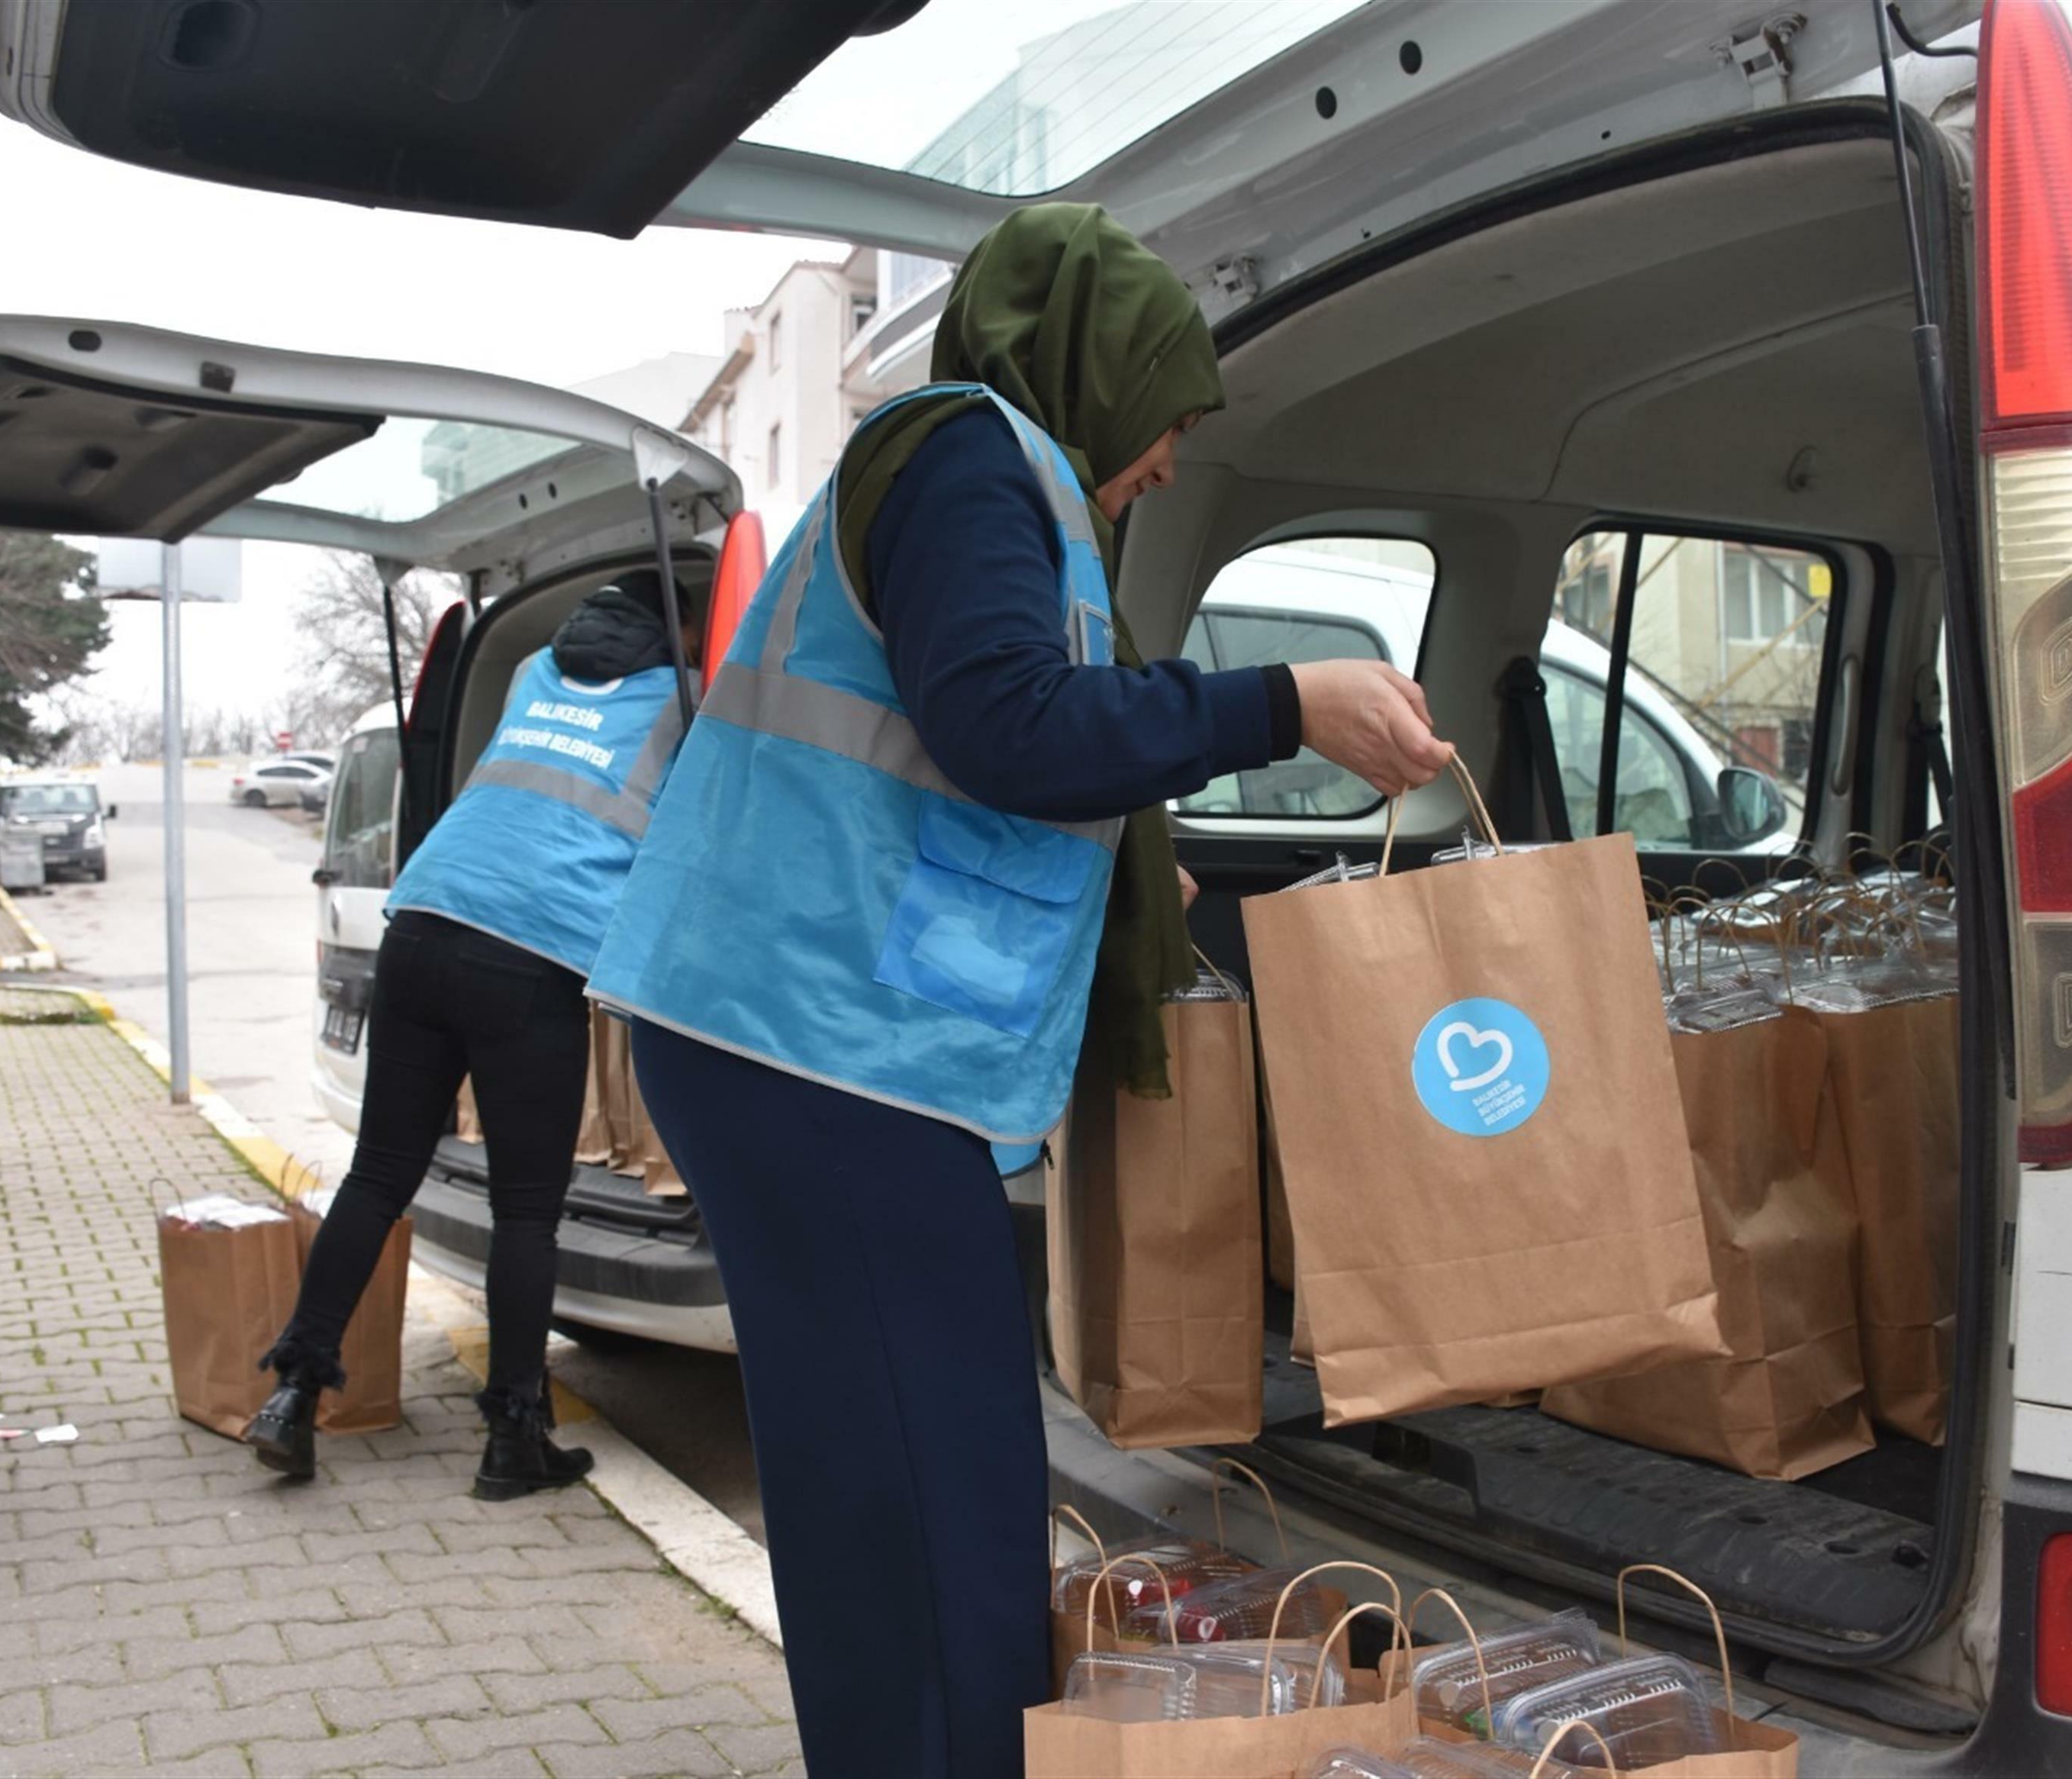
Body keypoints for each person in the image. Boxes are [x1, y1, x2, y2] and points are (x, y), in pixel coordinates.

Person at [588, 205, 1450, 1776]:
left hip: (807, 1042)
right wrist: (1284, 700)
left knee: (896, 1498)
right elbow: (1006, 723)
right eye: (1170, 424)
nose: (1171, 465)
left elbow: (972, 749)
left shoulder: (982, 481)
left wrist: (1130, 869)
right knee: (935, 1510)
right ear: (1095, 375)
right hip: (818, 1047)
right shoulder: (973, 456)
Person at [247, 571, 703, 1498]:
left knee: (379, 1174)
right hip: (530, 952)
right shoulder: (679, 700)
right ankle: (512, 1441)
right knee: (527, 1212)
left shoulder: (534, 666)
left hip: (418, 922)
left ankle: (293, 1394)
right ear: (676, 631)